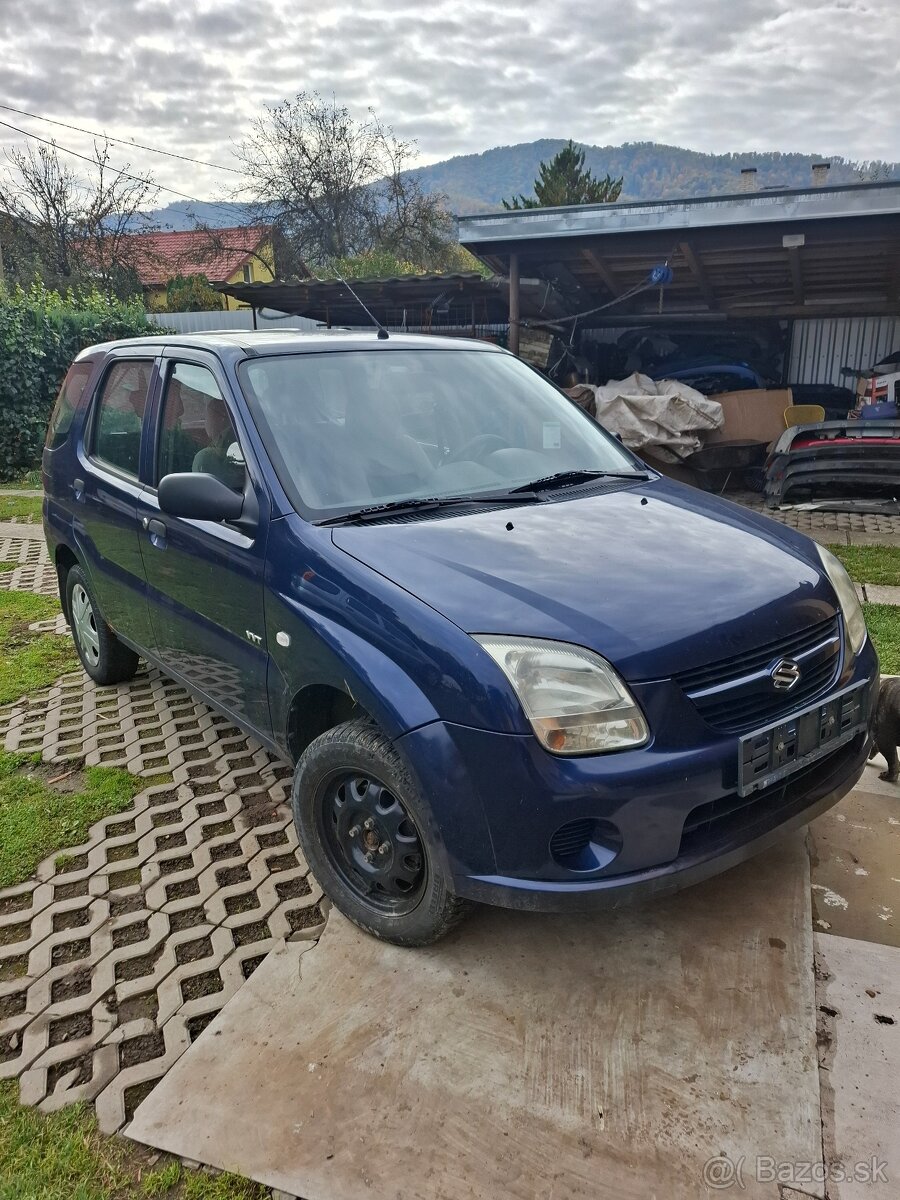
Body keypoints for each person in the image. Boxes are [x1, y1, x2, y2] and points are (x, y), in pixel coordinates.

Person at [192, 397, 246, 491]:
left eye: (207, 416)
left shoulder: (206, 457)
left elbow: (200, 493)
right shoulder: (245, 442)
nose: (205, 421)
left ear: (221, 418)